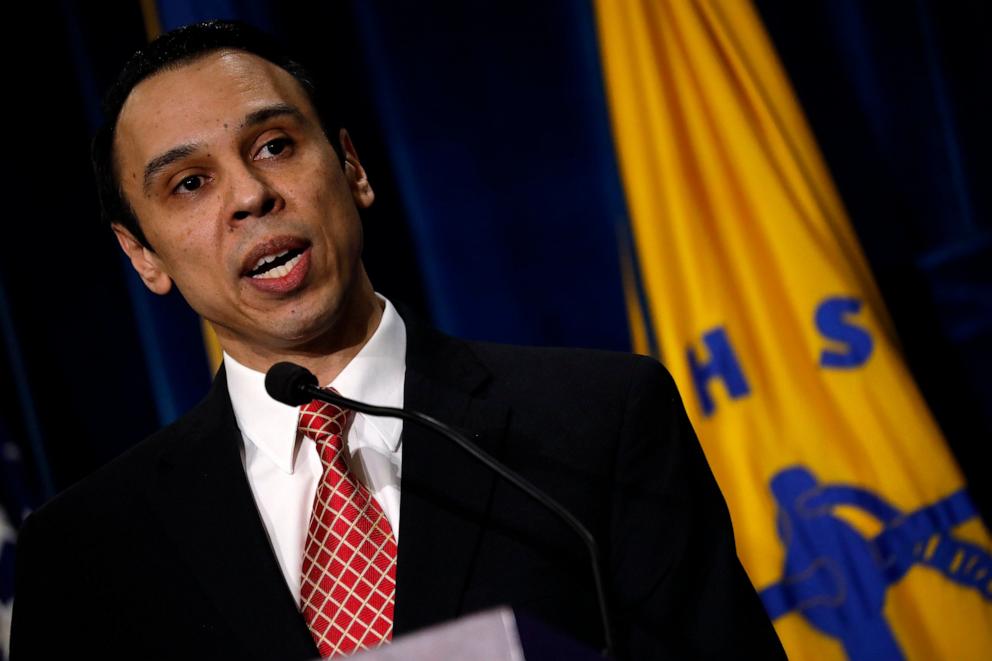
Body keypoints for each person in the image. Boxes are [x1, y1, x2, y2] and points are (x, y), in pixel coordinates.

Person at [10, 20, 784, 660]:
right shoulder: (85, 551)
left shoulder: (597, 423)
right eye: (189, 183)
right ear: (143, 254)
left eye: (275, 144)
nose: (250, 194)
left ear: (352, 169)